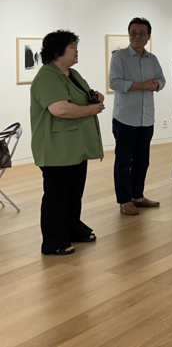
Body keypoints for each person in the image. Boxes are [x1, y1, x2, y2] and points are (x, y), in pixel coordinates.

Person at [29, 31, 105, 255]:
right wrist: (90, 110)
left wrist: (95, 97)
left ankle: (73, 229)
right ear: (56, 51)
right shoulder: (47, 77)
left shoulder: (72, 74)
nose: (76, 50)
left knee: (73, 193)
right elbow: (59, 108)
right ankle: (54, 241)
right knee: (57, 195)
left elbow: (82, 95)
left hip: (75, 146)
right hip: (57, 147)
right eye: (72, 46)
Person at [109, 17, 166, 216]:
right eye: (133, 33)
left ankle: (137, 196)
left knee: (142, 161)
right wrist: (142, 85)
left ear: (148, 36)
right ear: (129, 35)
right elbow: (114, 82)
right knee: (123, 162)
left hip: (146, 118)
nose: (137, 36)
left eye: (142, 33)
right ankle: (124, 200)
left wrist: (156, 85)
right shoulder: (120, 57)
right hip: (125, 119)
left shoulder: (152, 59)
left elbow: (162, 80)